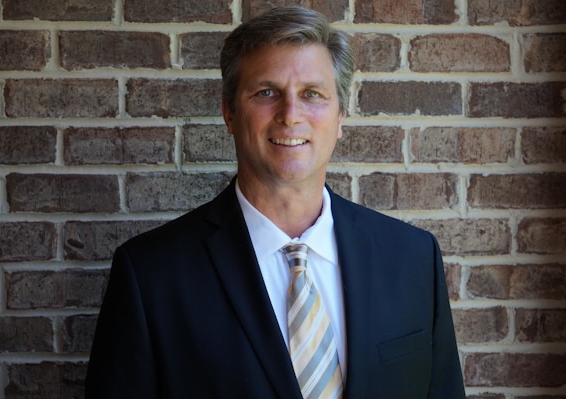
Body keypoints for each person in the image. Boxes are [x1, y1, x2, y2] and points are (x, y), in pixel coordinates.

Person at [85, 6, 466, 398]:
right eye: (266, 92)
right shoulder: (151, 276)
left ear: (340, 119)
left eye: (312, 94)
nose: (290, 115)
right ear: (229, 113)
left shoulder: (412, 258)